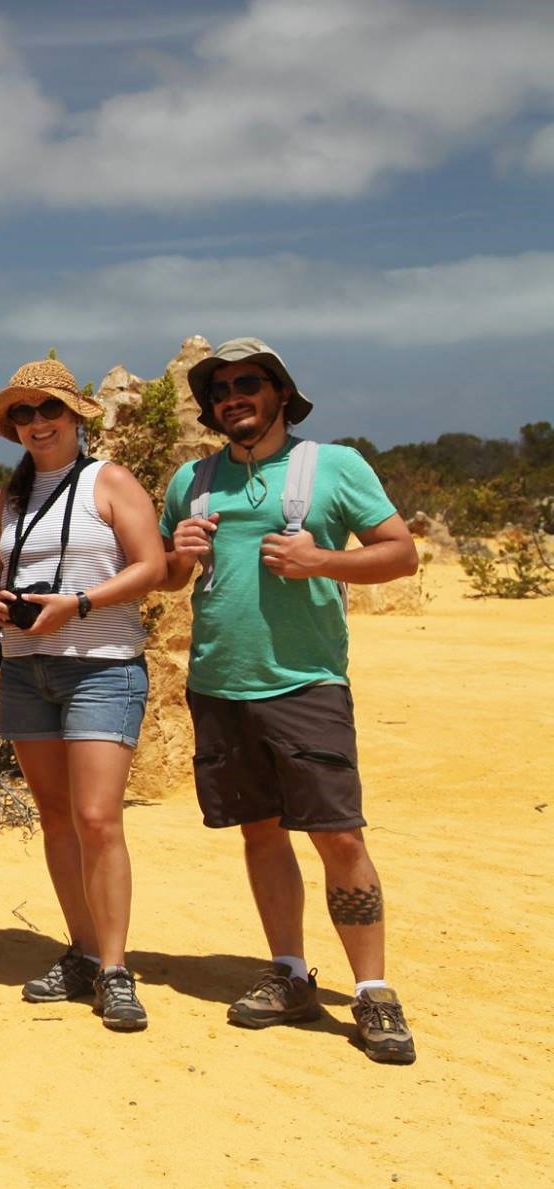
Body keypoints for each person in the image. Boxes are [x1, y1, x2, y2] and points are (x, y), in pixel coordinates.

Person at [159, 339, 420, 1064]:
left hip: (305, 682)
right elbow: (172, 577)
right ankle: (290, 972)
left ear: (280, 392)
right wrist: (179, 552)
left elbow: (400, 551)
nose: (232, 396)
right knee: (260, 831)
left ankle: (372, 988)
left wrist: (322, 561)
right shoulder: (193, 478)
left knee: (338, 834)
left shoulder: (333, 466)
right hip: (219, 682)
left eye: (249, 383)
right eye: (220, 389)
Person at [0, 358, 166, 1031]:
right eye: (23, 414)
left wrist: (76, 603)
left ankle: (116, 967)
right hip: (29, 671)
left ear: (75, 417)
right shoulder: (13, 493)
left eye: (48, 410)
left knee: (97, 817)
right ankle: (82, 949)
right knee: (56, 817)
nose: (36, 423)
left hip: (100, 666)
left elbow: (153, 567)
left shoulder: (108, 481)